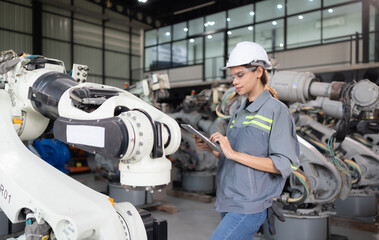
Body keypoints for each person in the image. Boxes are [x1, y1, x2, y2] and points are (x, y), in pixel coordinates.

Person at [193, 41, 300, 240]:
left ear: (259, 71)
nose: (234, 81)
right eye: (233, 76)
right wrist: (213, 150)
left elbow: (283, 165)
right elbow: (233, 157)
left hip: (251, 204)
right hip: (229, 198)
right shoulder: (238, 112)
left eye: (240, 75)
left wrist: (233, 153)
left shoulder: (277, 111)